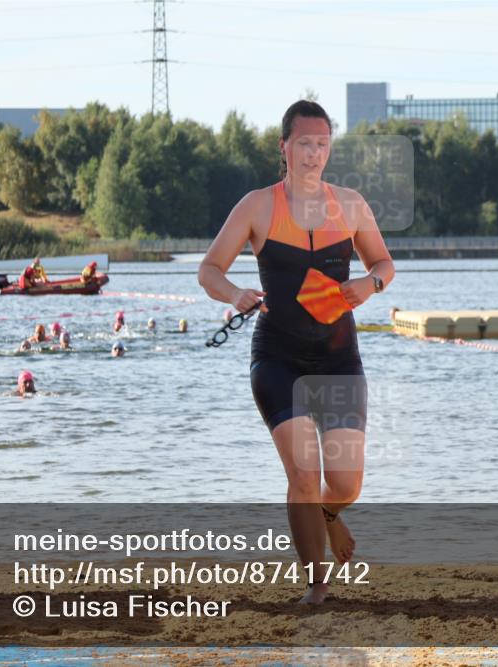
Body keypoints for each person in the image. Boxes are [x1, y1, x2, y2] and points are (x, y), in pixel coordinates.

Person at [198, 100, 394, 605]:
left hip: (338, 357)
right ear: (284, 147)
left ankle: (330, 516)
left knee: (346, 483)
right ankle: (316, 585)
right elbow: (209, 270)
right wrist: (234, 293)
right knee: (304, 474)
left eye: (323, 144)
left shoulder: (350, 204)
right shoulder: (257, 206)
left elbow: (384, 264)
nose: (314, 154)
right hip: (277, 358)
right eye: (304, 143)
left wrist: (369, 284)